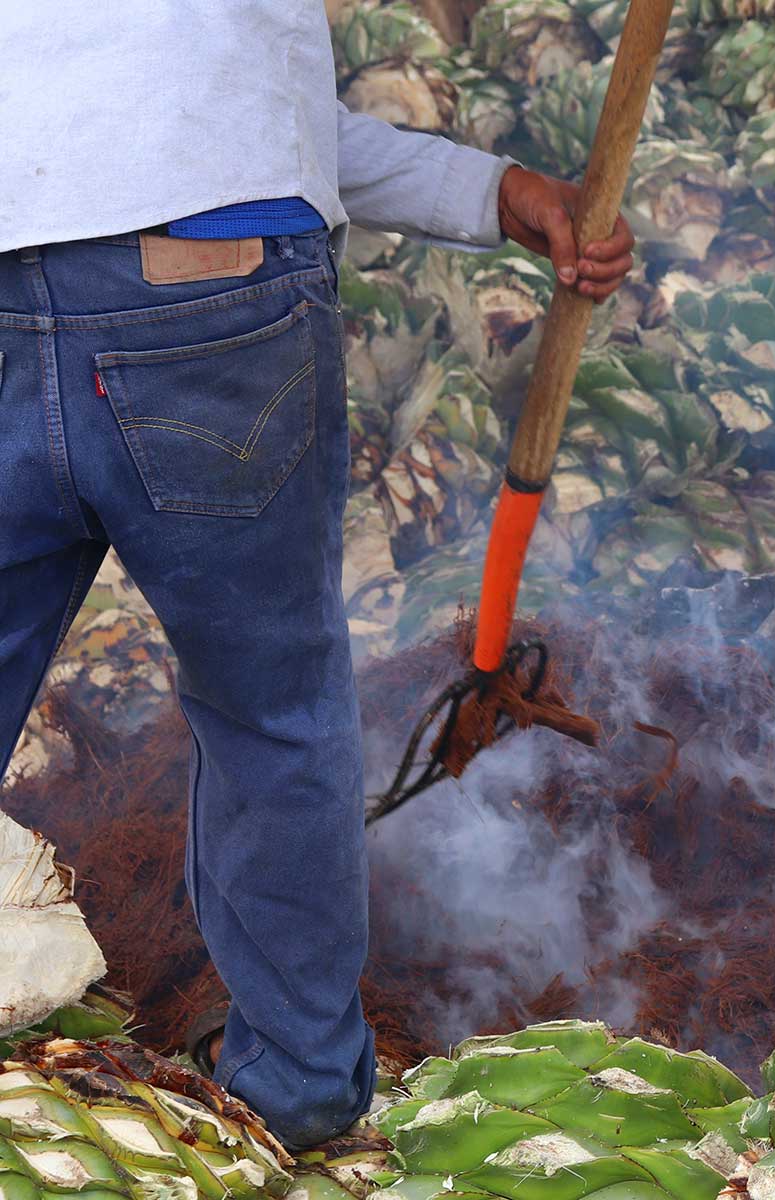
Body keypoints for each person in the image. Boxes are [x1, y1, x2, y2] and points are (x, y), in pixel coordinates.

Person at [0, 3, 635, 1149]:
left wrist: (490, 190)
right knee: (269, 712)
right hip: (206, 283)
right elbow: (221, 108)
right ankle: (289, 1095)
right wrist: (491, 187)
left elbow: (162, 89)